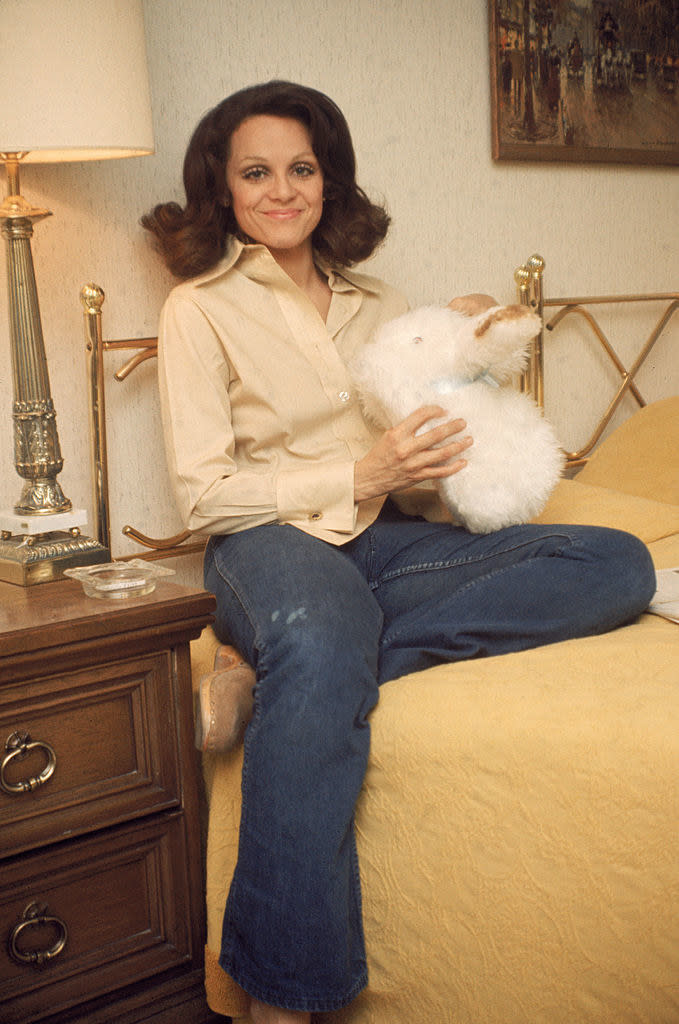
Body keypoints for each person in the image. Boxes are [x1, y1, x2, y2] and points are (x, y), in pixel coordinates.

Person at [142, 80, 655, 1024]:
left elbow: (417, 467)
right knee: (324, 639)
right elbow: (204, 495)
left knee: (615, 562)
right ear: (222, 188)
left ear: (330, 181)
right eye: (257, 172)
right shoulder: (198, 308)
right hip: (270, 544)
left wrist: (451, 404)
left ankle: (277, 675)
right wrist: (360, 476)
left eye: (303, 168)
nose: (283, 190)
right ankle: (283, 995)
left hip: (388, 538)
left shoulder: (382, 301)